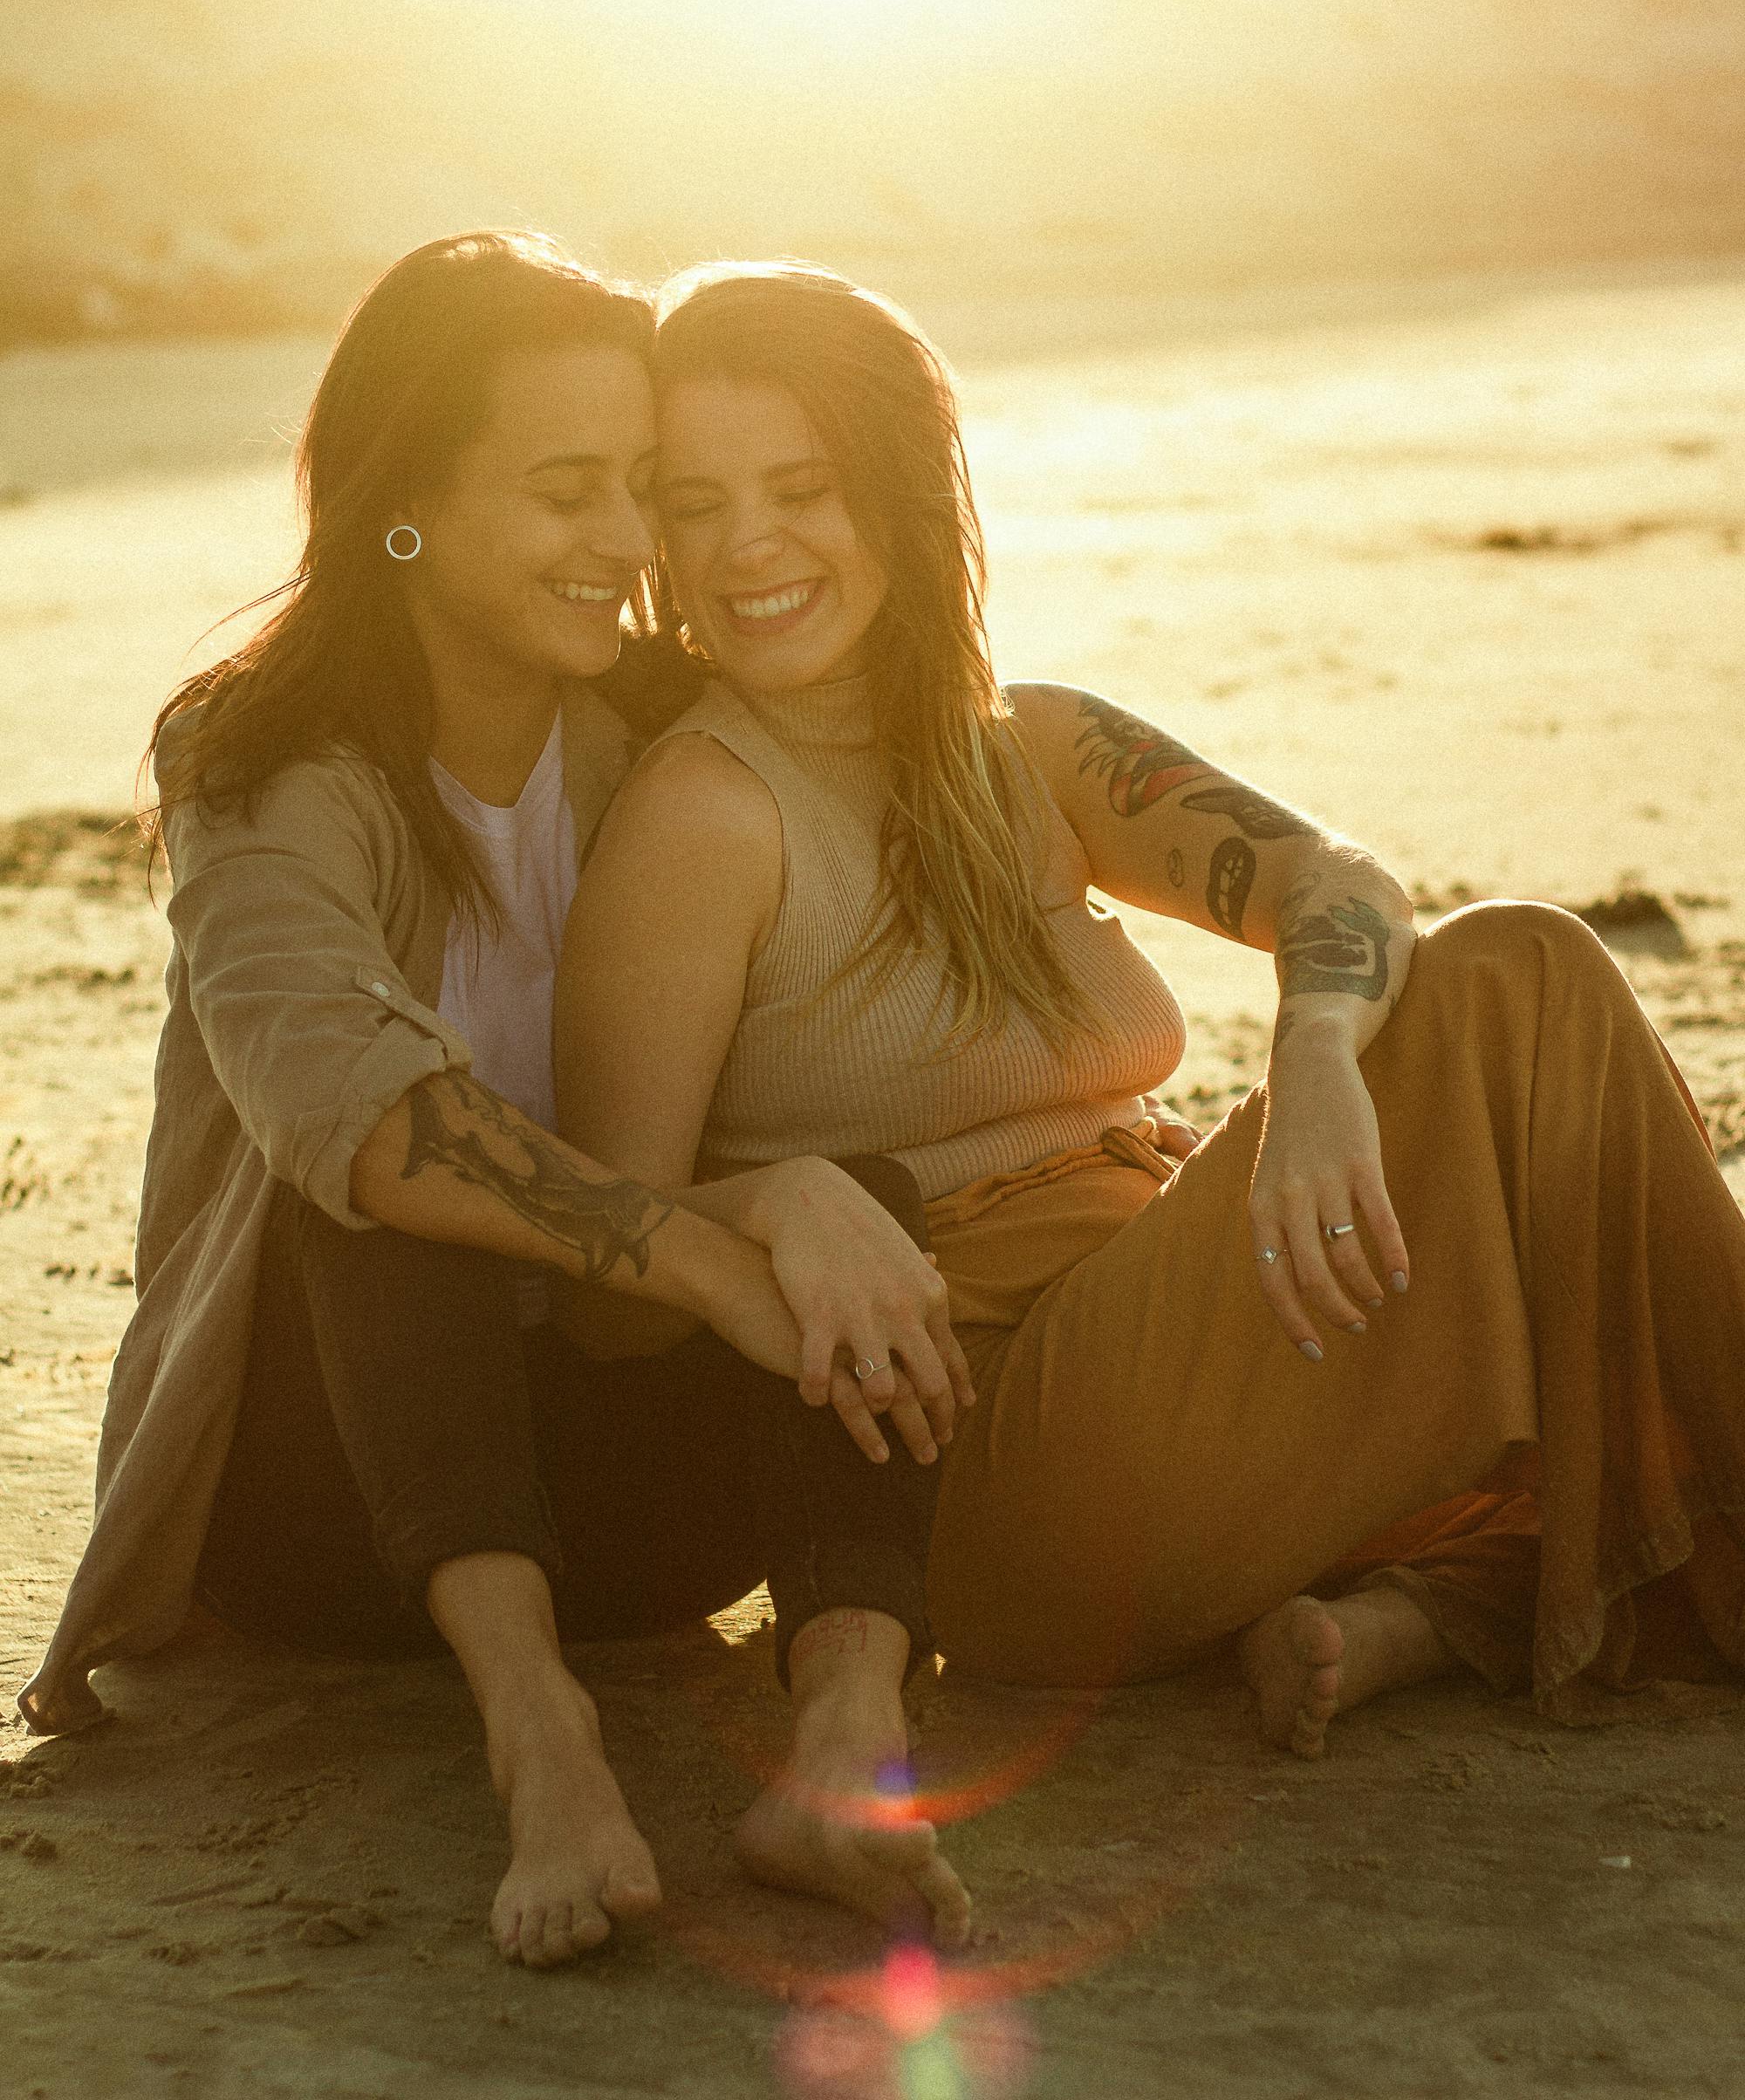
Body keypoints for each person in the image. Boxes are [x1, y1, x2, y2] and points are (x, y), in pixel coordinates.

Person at [557, 258, 1745, 1755]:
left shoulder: (1031, 743)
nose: (747, 548)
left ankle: (1412, 1621)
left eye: (801, 486)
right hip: (1009, 1466)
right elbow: (598, 1264)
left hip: (1191, 1343)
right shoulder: (706, 814)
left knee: (1537, 1071)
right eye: (694, 502)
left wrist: (1314, 1059)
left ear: (901, 493)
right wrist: (789, 1200)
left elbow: (1334, 880)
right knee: (1526, 977)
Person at [20, 232, 978, 1966]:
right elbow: (350, 1104)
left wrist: (802, 1197)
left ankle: (845, 1744)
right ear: (405, 508)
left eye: (637, 488)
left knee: (849, 1197)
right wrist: (710, 1249)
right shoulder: (255, 766)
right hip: (322, 1529)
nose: (629, 545)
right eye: (566, 493)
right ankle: (542, 1747)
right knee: (392, 1187)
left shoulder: (656, 733)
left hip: (622, 1512)